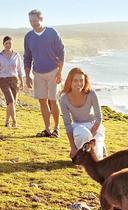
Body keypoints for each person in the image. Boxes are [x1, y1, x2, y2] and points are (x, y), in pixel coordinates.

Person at [24, 9, 64, 138]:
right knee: (42, 101)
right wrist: (28, 75)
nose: (33, 23)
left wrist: (60, 72)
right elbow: (27, 57)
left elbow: (61, 52)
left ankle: (56, 129)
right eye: (31, 21)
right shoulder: (28, 36)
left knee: (53, 100)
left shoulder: (52, 33)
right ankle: (47, 129)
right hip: (38, 73)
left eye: (35, 21)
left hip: (53, 71)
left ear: (41, 19)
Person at [59, 67, 106, 160]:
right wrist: (72, 147)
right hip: (78, 127)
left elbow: (99, 118)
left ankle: (100, 147)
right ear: (70, 82)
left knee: (98, 159)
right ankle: (84, 150)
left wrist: (91, 137)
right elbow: (68, 124)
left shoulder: (91, 94)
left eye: (81, 80)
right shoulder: (64, 99)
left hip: (94, 127)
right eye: (75, 81)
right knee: (83, 134)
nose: (79, 83)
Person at [0, 36, 23, 127]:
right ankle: (14, 122)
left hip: (14, 80)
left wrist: (21, 80)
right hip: (3, 80)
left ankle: (6, 122)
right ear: (3, 44)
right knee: (11, 101)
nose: (8, 45)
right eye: (6, 43)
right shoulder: (0, 56)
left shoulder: (16, 55)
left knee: (10, 103)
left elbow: (20, 69)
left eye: (10, 43)